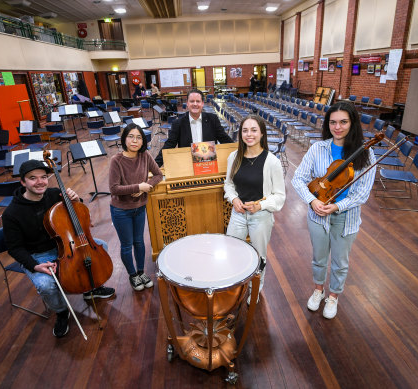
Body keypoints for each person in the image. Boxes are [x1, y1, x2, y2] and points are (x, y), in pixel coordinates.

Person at [2, 160, 115, 338]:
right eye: (33, 178)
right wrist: (34, 265)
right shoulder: (12, 213)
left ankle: (90, 288)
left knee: (102, 247)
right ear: (23, 182)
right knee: (45, 285)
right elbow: (15, 248)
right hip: (38, 255)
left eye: (44, 177)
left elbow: (79, 213)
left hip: (66, 245)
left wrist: (77, 200)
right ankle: (62, 311)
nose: (40, 182)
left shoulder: (55, 194)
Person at [291, 101, 376, 319]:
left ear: (353, 123)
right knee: (319, 258)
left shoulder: (366, 153)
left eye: (343, 122)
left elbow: (362, 193)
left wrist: (338, 206)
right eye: (333, 122)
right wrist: (312, 201)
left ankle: (333, 296)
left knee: (340, 262)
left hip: (346, 218)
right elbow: (298, 179)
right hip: (318, 215)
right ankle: (318, 290)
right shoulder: (317, 148)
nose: (337, 127)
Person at [224, 115, 285, 304]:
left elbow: (279, 196)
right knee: (233, 251)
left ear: (261, 133)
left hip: (261, 216)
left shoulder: (272, 162)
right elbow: (228, 184)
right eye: (245, 130)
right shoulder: (234, 157)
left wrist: (260, 205)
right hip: (238, 214)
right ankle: (236, 286)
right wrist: (234, 199)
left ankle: (255, 289)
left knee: (259, 256)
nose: (249, 134)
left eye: (253, 130)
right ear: (240, 133)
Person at [109, 123, 163, 291]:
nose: (135, 140)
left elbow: (159, 175)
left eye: (139, 137)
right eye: (131, 136)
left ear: (143, 141)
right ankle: (133, 275)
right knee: (127, 244)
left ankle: (141, 272)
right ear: (124, 139)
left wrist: (147, 184)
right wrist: (139, 187)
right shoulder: (116, 160)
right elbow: (114, 189)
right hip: (121, 210)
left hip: (139, 207)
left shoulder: (145, 155)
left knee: (139, 242)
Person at [155, 88, 233, 166]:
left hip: (209, 164)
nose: (195, 104)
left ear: (202, 103)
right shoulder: (178, 123)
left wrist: (240, 152)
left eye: (198, 101)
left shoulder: (213, 119)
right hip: (188, 165)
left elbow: (225, 139)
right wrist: (154, 166)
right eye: (192, 101)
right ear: (187, 103)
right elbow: (169, 145)